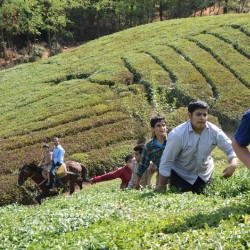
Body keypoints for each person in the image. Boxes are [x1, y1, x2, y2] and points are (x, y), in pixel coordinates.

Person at [158, 100, 238, 194]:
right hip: (181, 175)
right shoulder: (178, 135)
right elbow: (167, 159)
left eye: (205, 115)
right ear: (190, 115)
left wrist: (233, 164)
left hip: (204, 175)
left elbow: (231, 148)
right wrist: (162, 185)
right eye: (198, 114)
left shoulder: (214, 132)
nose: (202, 118)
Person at [135, 115, 167, 190]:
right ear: (153, 129)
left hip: (176, 173)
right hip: (161, 175)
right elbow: (142, 164)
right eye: (158, 126)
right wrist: (137, 183)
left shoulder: (172, 140)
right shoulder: (149, 146)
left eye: (163, 125)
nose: (162, 128)